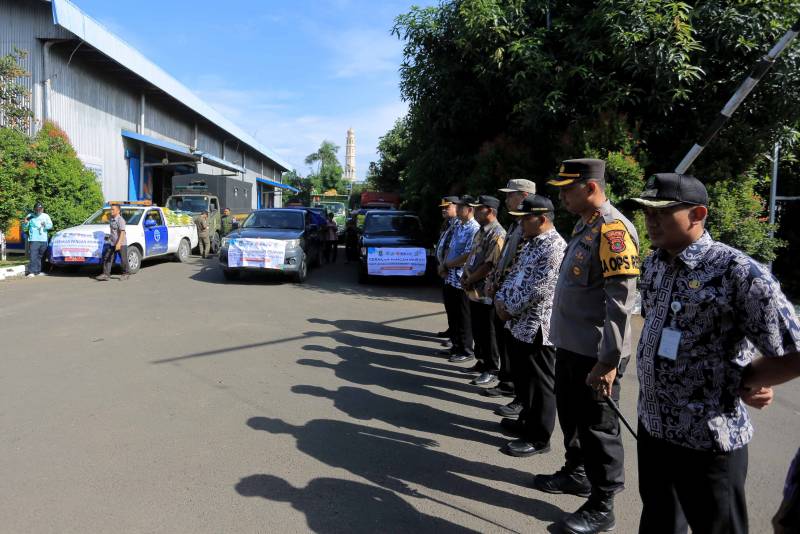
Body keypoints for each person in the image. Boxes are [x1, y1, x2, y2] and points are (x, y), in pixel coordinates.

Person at [626, 173, 800, 534]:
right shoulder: (655, 263)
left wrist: (748, 379)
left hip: (707, 441)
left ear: (698, 214)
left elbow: (793, 351)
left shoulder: (738, 272)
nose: (651, 220)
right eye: (647, 212)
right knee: (659, 523)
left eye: (662, 211)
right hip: (654, 429)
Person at [534, 159, 640, 534]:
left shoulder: (613, 230)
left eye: (568, 189)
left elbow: (620, 303)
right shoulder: (585, 224)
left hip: (596, 354)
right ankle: (577, 473)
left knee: (599, 429)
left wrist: (608, 361)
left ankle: (602, 504)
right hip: (571, 345)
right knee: (573, 418)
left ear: (591, 188)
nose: (562, 196)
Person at [494, 195, 566, 458]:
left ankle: (539, 437)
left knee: (540, 384)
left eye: (526, 218)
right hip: (518, 324)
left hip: (538, 326)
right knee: (524, 380)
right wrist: (501, 299)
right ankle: (526, 421)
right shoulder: (531, 242)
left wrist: (508, 308)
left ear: (542, 219)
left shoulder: (555, 247)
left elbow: (540, 288)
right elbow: (514, 274)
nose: (521, 223)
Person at [483, 179, 537, 415]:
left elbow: (521, 266)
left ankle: (519, 396)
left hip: (518, 301)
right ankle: (508, 383)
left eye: (510, 195)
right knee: (507, 344)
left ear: (524, 196)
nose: (506, 200)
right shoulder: (516, 224)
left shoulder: (531, 227)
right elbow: (506, 257)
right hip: (504, 293)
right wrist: (494, 281)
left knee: (520, 353)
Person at [460, 195, 506, 385]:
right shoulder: (481, 231)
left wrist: (470, 279)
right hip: (473, 289)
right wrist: (465, 275)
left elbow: (489, 265)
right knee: (478, 329)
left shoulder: (497, 233)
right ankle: (481, 361)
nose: (476, 211)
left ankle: (492, 368)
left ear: (491, 211)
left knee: (489, 332)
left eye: (480, 208)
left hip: (485, 291)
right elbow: (472, 255)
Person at [441, 196, 480, 363]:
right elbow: (450, 247)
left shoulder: (474, 228)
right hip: (450, 277)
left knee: (463, 316)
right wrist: (443, 265)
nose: (457, 210)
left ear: (470, 209)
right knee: (453, 315)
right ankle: (456, 346)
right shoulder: (459, 225)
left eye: (461, 207)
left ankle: (466, 350)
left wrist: (447, 264)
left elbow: (468, 255)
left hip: (461, 279)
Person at [434, 196, 460, 343]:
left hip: (453, 271)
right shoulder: (448, 223)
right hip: (445, 269)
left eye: (447, 207)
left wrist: (444, 265)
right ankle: (452, 330)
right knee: (449, 305)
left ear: (456, 207)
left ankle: (456, 335)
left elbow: (454, 249)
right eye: (442, 208)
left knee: (456, 307)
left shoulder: (459, 224)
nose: (443, 210)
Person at [96, 203, 128, 281]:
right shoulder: (111, 219)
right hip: (112, 243)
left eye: (113, 209)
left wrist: (119, 243)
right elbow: (112, 230)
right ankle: (106, 275)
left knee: (123, 259)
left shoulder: (120, 220)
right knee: (107, 257)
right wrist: (110, 238)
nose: (111, 211)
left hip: (121, 243)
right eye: (111, 209)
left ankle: (125, 274)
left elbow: (122, 232)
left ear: (118, 211)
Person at [22, 202, 53, 278]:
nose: (39, 210)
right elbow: (25, 227)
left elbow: (50, 226)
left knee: (41, 256)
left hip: (43, 239)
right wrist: (25, 223)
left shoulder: (46, 216)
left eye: (40, 209)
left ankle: (38, 271)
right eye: (37, 209)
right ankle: (32, 272)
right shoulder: (30, 216)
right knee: (33, 255)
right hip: (34, 238)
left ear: (42, 209)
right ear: (34, 209)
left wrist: (45, 225)